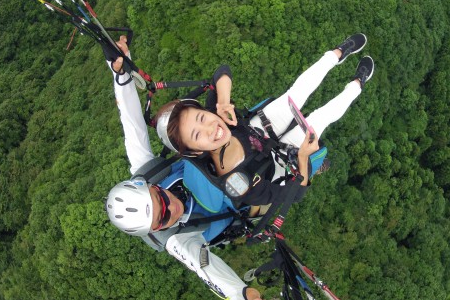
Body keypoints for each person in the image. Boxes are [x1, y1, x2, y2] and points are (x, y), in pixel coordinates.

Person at [104, 37, 263, 300]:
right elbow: (204, 268)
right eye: (163, 218)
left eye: (161, 199)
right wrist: (241, 294)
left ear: (153, 187)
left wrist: (120, 73)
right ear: (156, 229)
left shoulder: (148, 172)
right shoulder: (175, 239)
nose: (171, 208)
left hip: (214, 161)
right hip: (240, 203)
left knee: (239, 117)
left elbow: (132, 124)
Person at [155, 34, 374, 211]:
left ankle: (336, 54)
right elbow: (295, 194)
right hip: (280, 162)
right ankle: (357, 84)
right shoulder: (237, 184)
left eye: (201, 117)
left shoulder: (217, 117)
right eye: (197, 135)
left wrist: (222, 102)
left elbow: (221, 72)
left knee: (298, 91)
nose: (210, 127)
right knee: (320, 117)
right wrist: (303, 156)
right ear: (195, 152)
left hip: (260, 128)